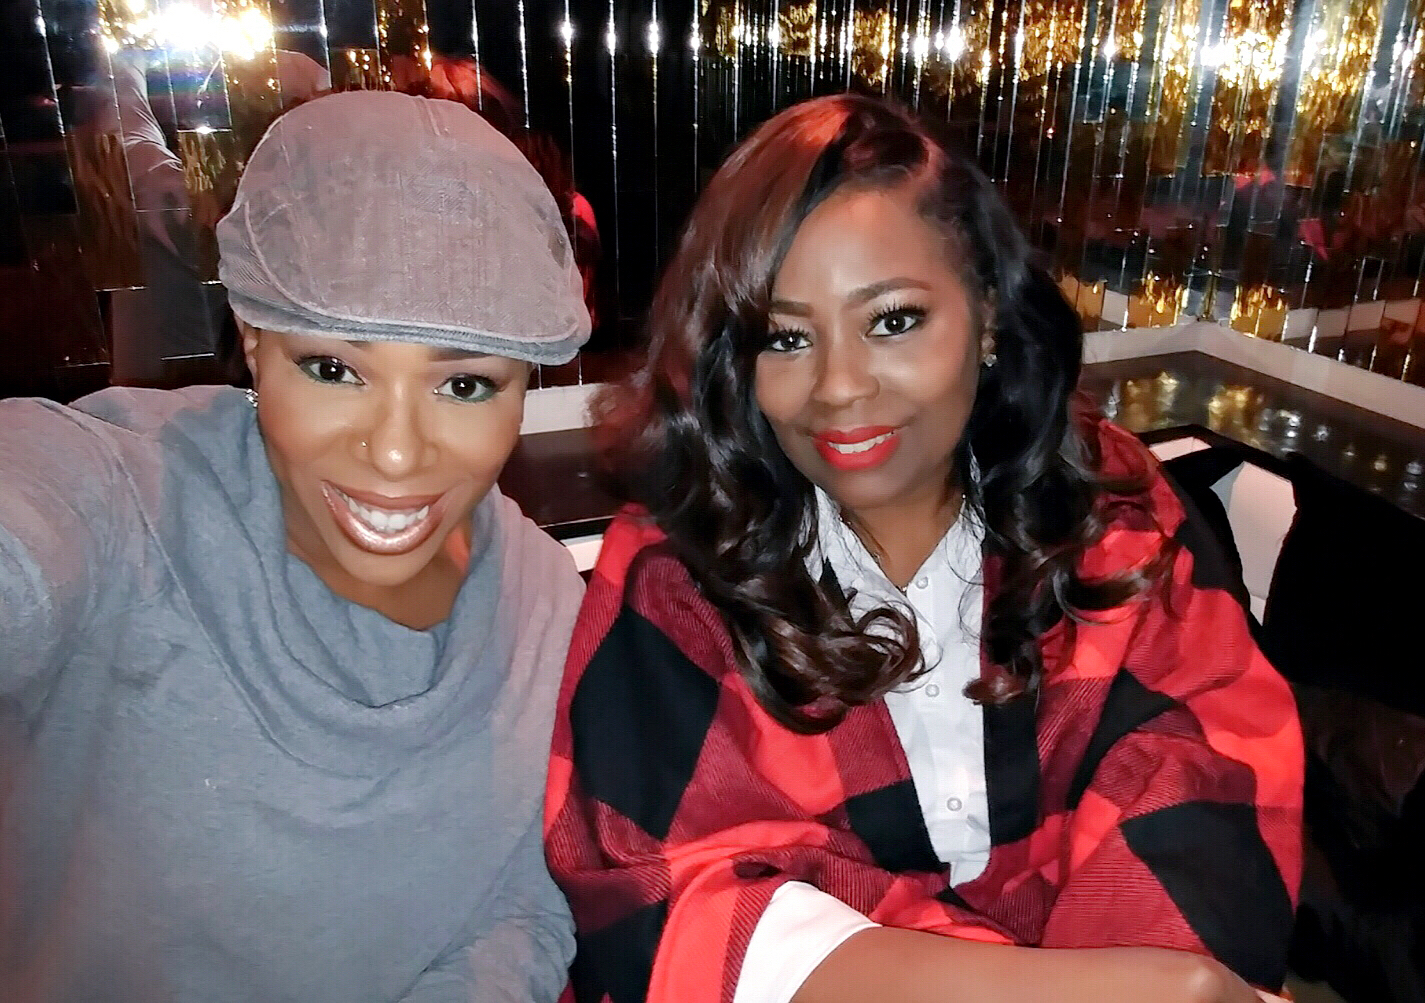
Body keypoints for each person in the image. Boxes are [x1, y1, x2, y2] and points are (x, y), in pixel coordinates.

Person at [546, 94, 1302, 1003]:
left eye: (893, 320)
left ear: (986, 313)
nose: (839, 386)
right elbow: (667, 899)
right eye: (785, 337)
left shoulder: (1106, 513)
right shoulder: (678, 572)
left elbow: (1202, 769)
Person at [0, 90, 589, 1001]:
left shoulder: (546, 600)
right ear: (252, 339)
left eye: (465, 384)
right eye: (334, 368)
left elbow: (520, 908)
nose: (396, 453)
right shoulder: (122, 498)